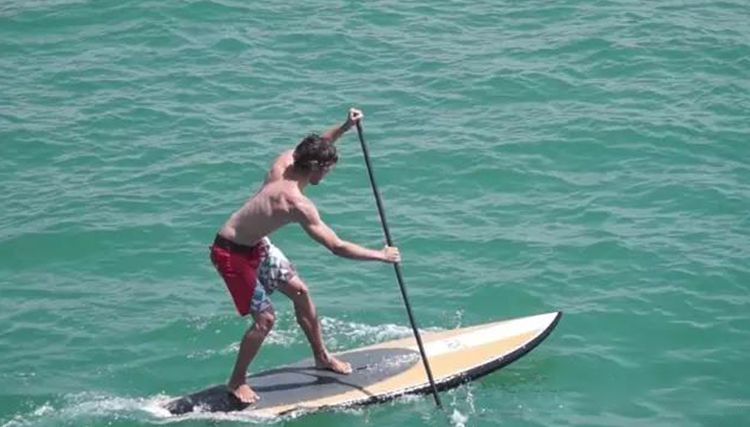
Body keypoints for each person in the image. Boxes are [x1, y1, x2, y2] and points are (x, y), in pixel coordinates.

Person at [209, 107, 401, 404]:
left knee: (300, 292)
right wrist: (381, 255)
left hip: (256, 244)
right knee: (265, 320)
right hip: (230, 254)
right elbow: (336, 246)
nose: (329, 173)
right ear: (315, 168)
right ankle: (236, 382)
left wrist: (345, 127)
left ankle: (321, 357)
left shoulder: (285, 163)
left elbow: (318, 143)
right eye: (328, 168)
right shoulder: (296, 204)